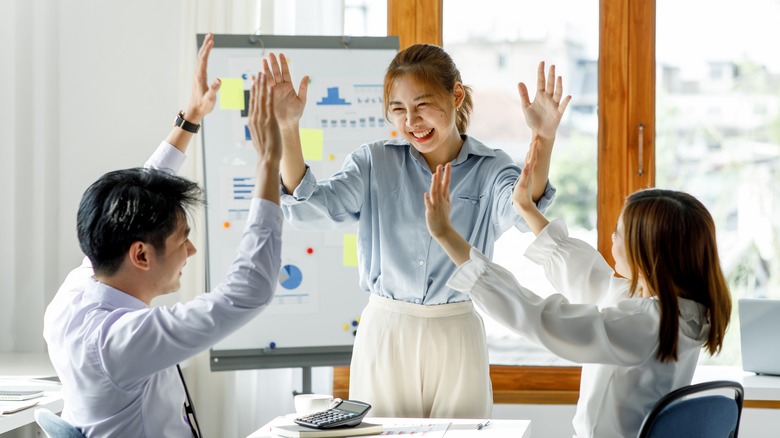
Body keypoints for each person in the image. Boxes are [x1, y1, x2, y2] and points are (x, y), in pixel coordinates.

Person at [262, 44, 571, 418]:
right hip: (387, 330)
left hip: (456, 329)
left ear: (456, 95)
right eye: (398, 109)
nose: (411, 121)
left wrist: (544, 138)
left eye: (422, 105)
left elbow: (524, 209)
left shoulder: (491, 168)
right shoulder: (374, 161)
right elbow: (309, 208)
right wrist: (288, 128)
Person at [43, 33, 283, 437]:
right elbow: (248, 293)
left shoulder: (77, 291)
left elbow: (135, 197)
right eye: (182, 240)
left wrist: (190, 119)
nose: (192, 249)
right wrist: (268, 163)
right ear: (141, 255)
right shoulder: (121, 342)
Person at [423, 136, 733, 438]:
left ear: (648, 254)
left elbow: (541, 318)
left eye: (618, 232)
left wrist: (446, 235)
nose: (612, 238)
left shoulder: (647, 323)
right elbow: (591, 278)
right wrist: (527, 209)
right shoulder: (683, 311)